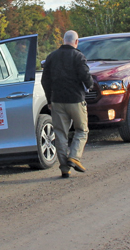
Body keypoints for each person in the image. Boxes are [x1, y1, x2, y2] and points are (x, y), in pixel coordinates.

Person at [40, 30, 94, 177]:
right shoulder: (78, 56)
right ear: (76, 42)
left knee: (60, 134)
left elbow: (44, 81)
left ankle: (64, 167)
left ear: (63, 40)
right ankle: (74, 157)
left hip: (57, 101)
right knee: (82, 130)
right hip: (76, 100)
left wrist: (49, 99)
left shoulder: (51, 57)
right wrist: (90, 84)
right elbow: (86, 77)